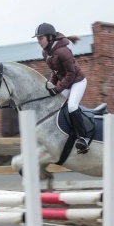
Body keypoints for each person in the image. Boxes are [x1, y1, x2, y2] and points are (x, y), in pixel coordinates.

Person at [33, 23, 89, 154]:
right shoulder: (46, 53)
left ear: (50, 37)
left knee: (72, 106)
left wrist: (57, 89)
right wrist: (49, 86)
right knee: (55, 105)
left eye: (40, 38)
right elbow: (55, 72)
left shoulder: (63, 52)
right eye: (37, 39)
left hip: (78, 81)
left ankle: (83, 139)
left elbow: (71, 74)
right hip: (67, 82)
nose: (38, 42)